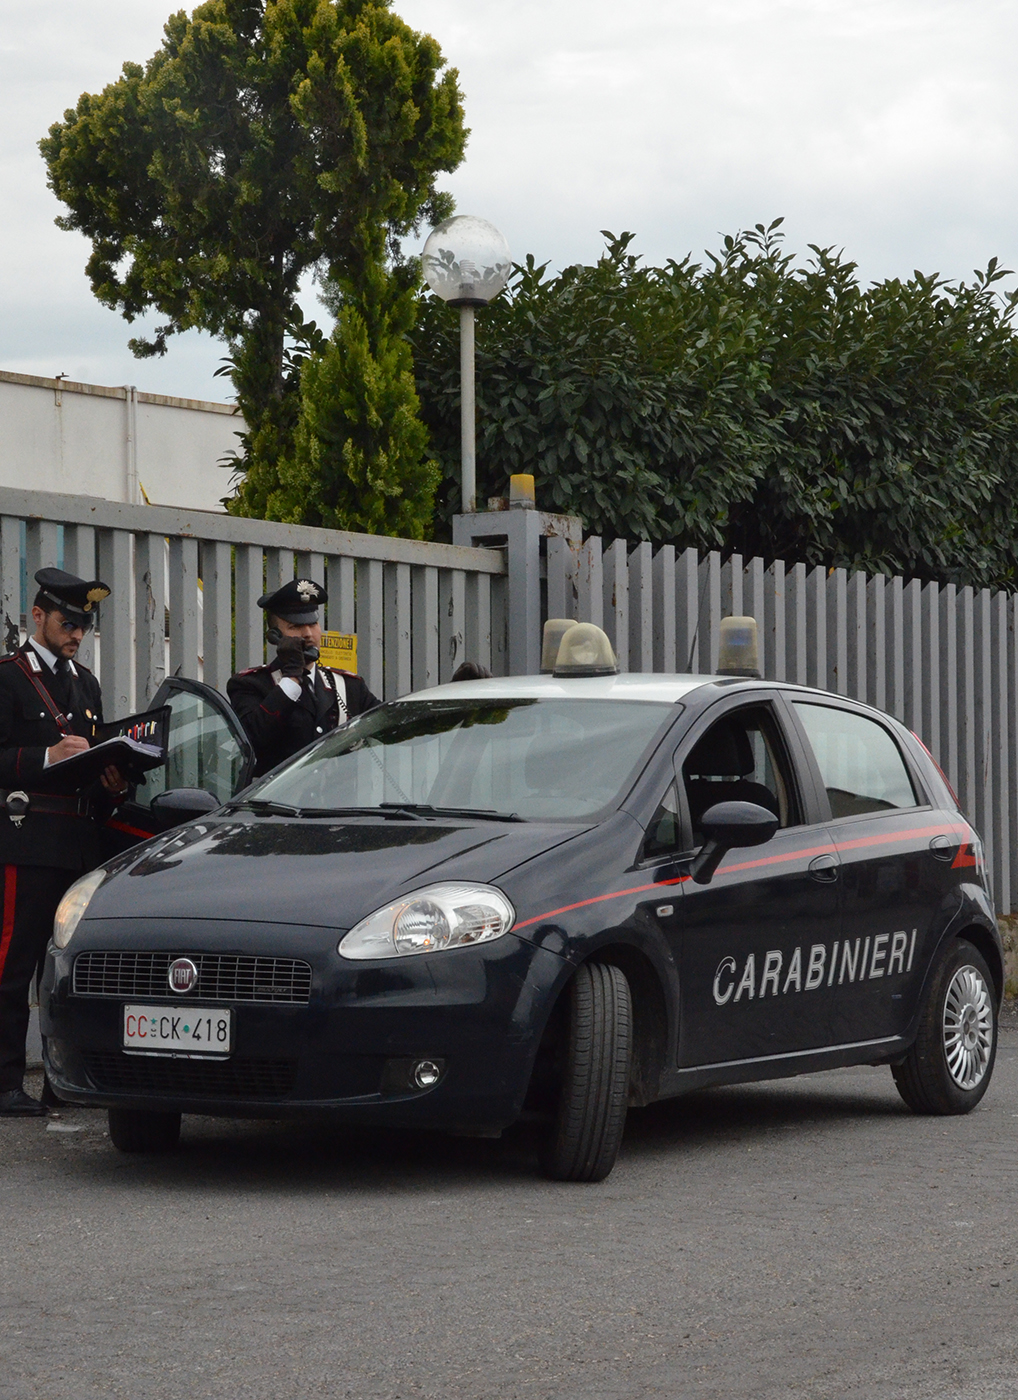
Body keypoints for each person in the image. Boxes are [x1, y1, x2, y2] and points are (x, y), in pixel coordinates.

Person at [0, 567, 127, 1116]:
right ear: (38, 616)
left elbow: (94, 761)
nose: (76, 633)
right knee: (11, 965)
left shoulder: (86, 684)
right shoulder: (8, 677)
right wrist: (47, 757)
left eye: (84, 624)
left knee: (64, 971)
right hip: (25, 842)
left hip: (78, 844)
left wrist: (115, 781)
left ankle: (62, 1079)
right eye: (67, 621)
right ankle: (4, 1082)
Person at [227, 578, 379, 777]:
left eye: (313, 624)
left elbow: (391, 727)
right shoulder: (251, 684)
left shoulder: (349, 686)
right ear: (275, 636)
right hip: (276, 805)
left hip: (336, 805)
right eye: (295, 627)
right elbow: (254, 738)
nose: (308, 634)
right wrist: (291, 677)